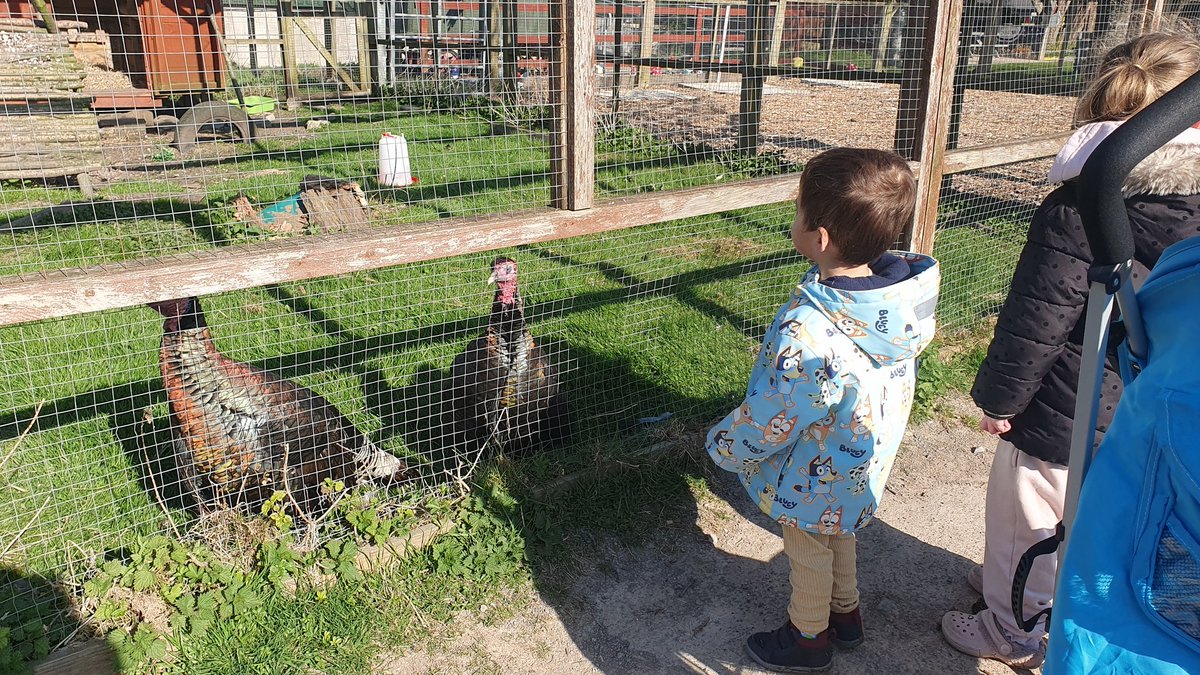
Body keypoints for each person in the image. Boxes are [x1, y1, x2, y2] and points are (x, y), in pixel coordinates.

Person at [940, 32, 1200, 669]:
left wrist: (1001, 401)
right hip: (1142, 409)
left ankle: (1013, 628)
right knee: (1102, 516)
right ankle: (1039, 594)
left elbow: (1038, 319)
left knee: (1027, 517)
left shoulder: (1082, 202)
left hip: (1062, 409)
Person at [705, 147, 940, 672]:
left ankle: (807, 637)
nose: (794, 222)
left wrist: (726, 444)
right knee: (840, 530)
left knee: (808, 545)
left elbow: (777, 411)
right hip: (863, 460)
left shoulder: (812, 329)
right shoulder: (894, 306)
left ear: (821, 237)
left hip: (814, 467)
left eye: (799, 214)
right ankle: (846, 613)